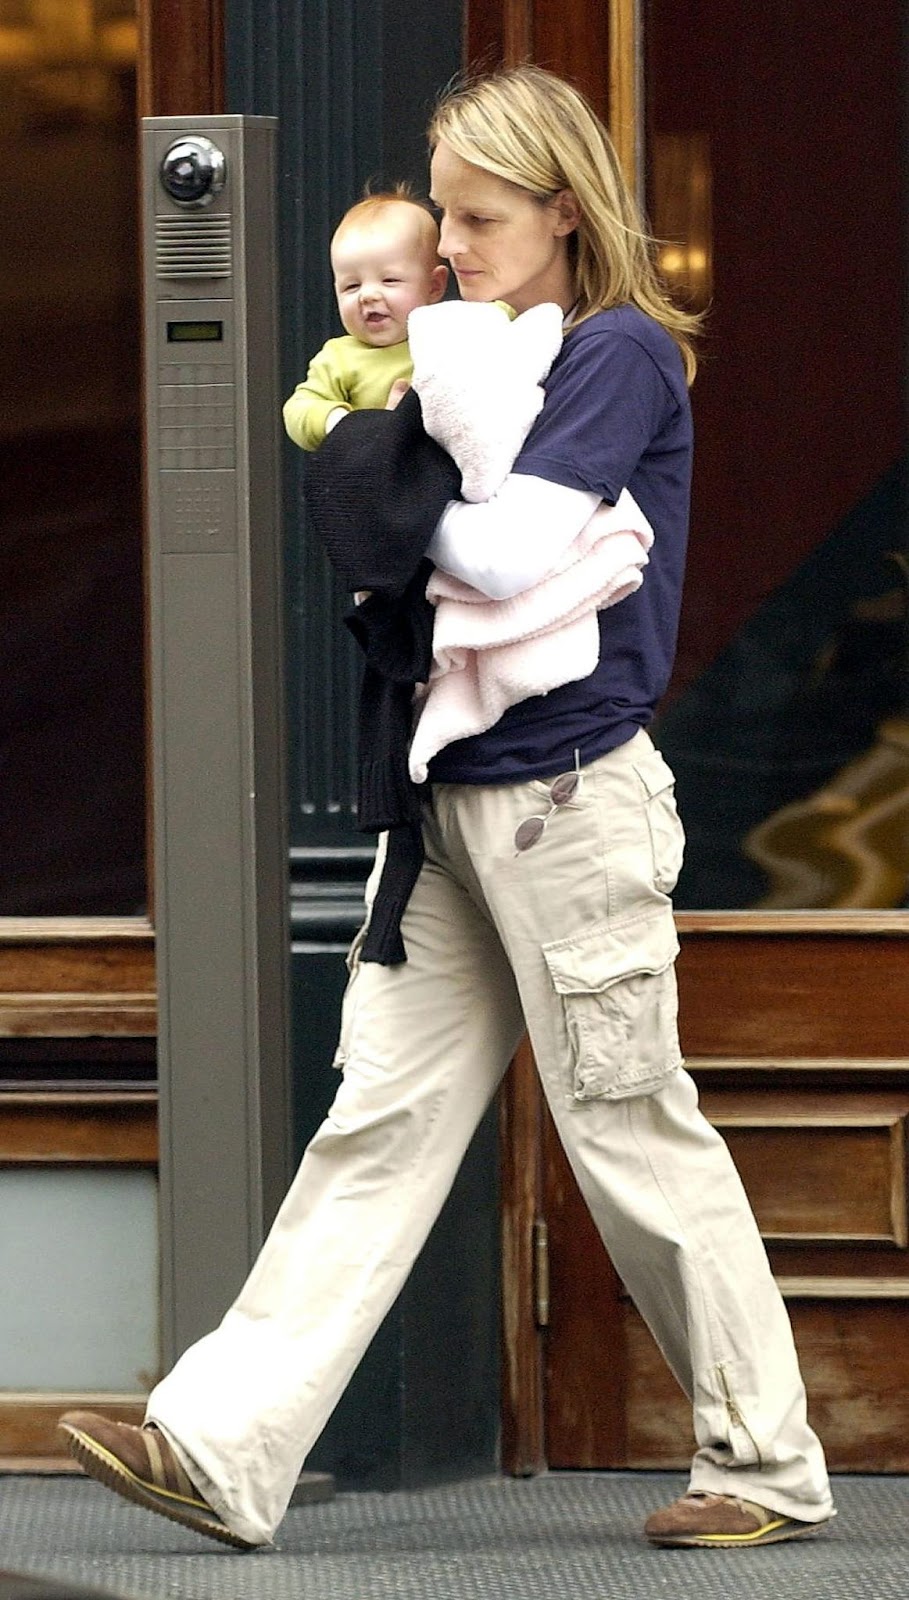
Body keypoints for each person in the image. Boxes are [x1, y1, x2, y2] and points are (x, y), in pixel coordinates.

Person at [58, 64, 834, 1553]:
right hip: (448, 807)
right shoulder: (481, 350)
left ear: (562, 210)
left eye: (480, 220)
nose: (451, 248)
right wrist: (395, 477)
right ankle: (224, 1448)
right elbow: (442, 538)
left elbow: (487, 555)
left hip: (567, 801)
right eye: (446, 216)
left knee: (628, 1135)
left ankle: (766, 1464)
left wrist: (374, 477)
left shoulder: (613, 358)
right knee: (377, 1126)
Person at [282, 188, 448, 453]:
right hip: (378, 477)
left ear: (434, 286)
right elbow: (299, 409)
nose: (368, 295)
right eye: (351, 286)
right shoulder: (341, 357)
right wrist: (346, 423)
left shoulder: (453, 331)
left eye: (389, 280)